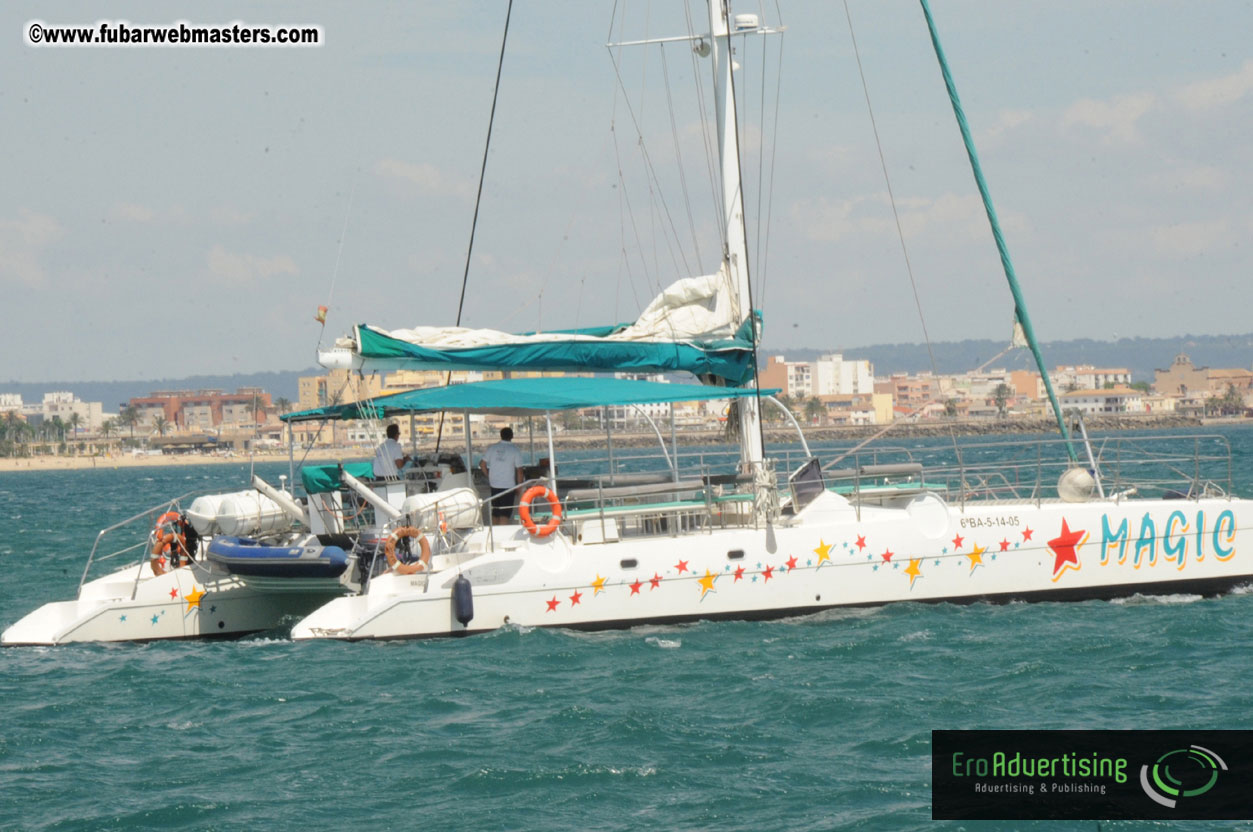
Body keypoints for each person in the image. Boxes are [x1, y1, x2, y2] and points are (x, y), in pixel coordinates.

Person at [480, 426, 524, 525]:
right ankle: (502, 533)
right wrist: (519, 486)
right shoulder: (515, 450)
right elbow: (520, 471)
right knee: (505, 513)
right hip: (508, 486)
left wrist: (489, 476)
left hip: (494, 484)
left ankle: (495, 533)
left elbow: (482, 464)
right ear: (512, 436)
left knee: (495, 511)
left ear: (501, 436)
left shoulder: (492, 448)